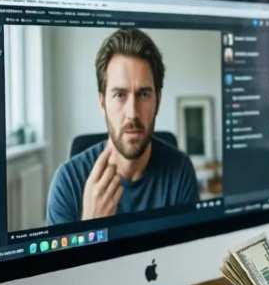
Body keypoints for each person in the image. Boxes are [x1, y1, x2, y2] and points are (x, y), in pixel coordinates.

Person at [46, 28, 199, 224]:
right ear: (102, 103)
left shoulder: (181, 171)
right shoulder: (67, 182)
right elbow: (62, 257)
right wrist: (91, 225)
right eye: (120, 95)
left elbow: (186, 253)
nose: (132, 113)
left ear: (158, 101)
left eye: (144, 94)